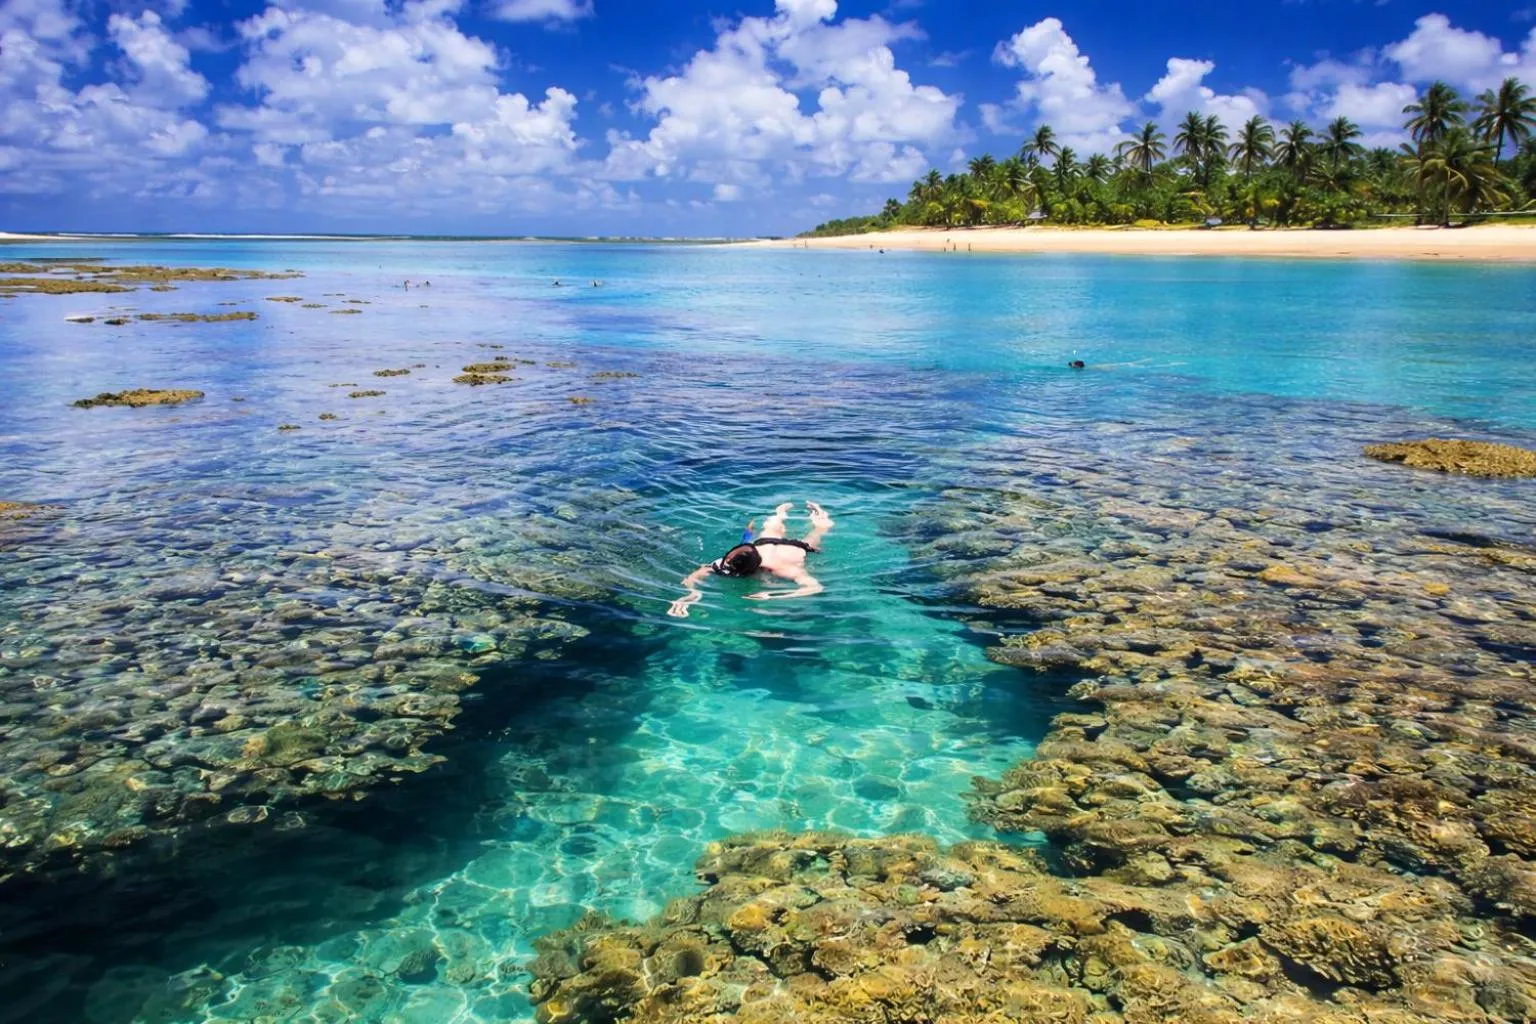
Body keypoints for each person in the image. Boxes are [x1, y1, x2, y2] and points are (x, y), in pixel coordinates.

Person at [668, 502, 833, 618]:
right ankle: (779, 514)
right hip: (762, 544)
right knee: (771, 526)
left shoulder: (784, 569)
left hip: (793, 550)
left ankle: (820, 519)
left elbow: (814, 588)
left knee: (818, 532)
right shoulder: (732, 559)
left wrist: (772, 596)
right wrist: (691, 595)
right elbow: (700, 572)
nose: (725, 561)